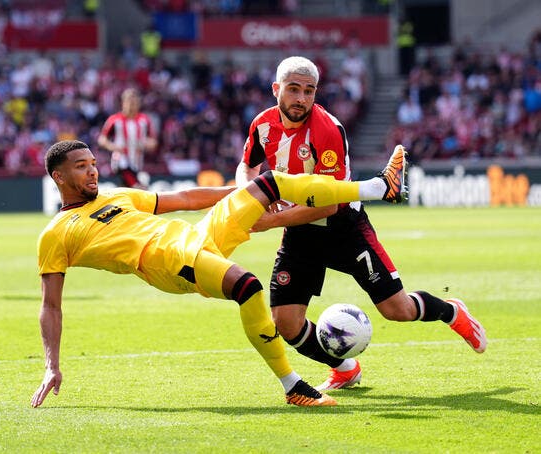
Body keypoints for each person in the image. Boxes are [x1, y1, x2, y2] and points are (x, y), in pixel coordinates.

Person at [30, 139, 406, 408]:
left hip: (195, 237)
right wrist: (52, 366)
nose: (92, 169)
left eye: (93, 162)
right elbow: (51, 305)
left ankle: (376, 187)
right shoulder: (56, 234)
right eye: (81, 166)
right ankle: (292, 386)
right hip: (162, 259)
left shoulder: (116, 196)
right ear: (58, 177)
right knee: (247, 286)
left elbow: (188, 199)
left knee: (271, 180)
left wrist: (248, 193)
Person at [235, 56, 487, 391]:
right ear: (276, 89)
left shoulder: (327, 130)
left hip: (344, 227)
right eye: (293, 89)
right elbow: (247, 165)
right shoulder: (263, 124)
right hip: (299, 235)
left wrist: (270, 221)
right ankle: (344, 368)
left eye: (309, 91)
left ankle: (450, 311)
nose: (301, 98)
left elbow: (328, 203)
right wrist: (246, 195)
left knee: (397, 310)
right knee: (286, 323)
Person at [97, 88, 157, 188]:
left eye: (134, 103)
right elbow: (102, 139)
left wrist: (146, 144)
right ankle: (138, 187)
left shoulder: (144, 120)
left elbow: (153, 141)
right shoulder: (115, 120)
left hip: (136, 161)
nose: (131, 106)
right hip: (120, 159)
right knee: (138, 186)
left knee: (127, 193)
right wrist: (112, 146)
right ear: (123, 103)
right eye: (129, 102)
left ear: (138, 104)